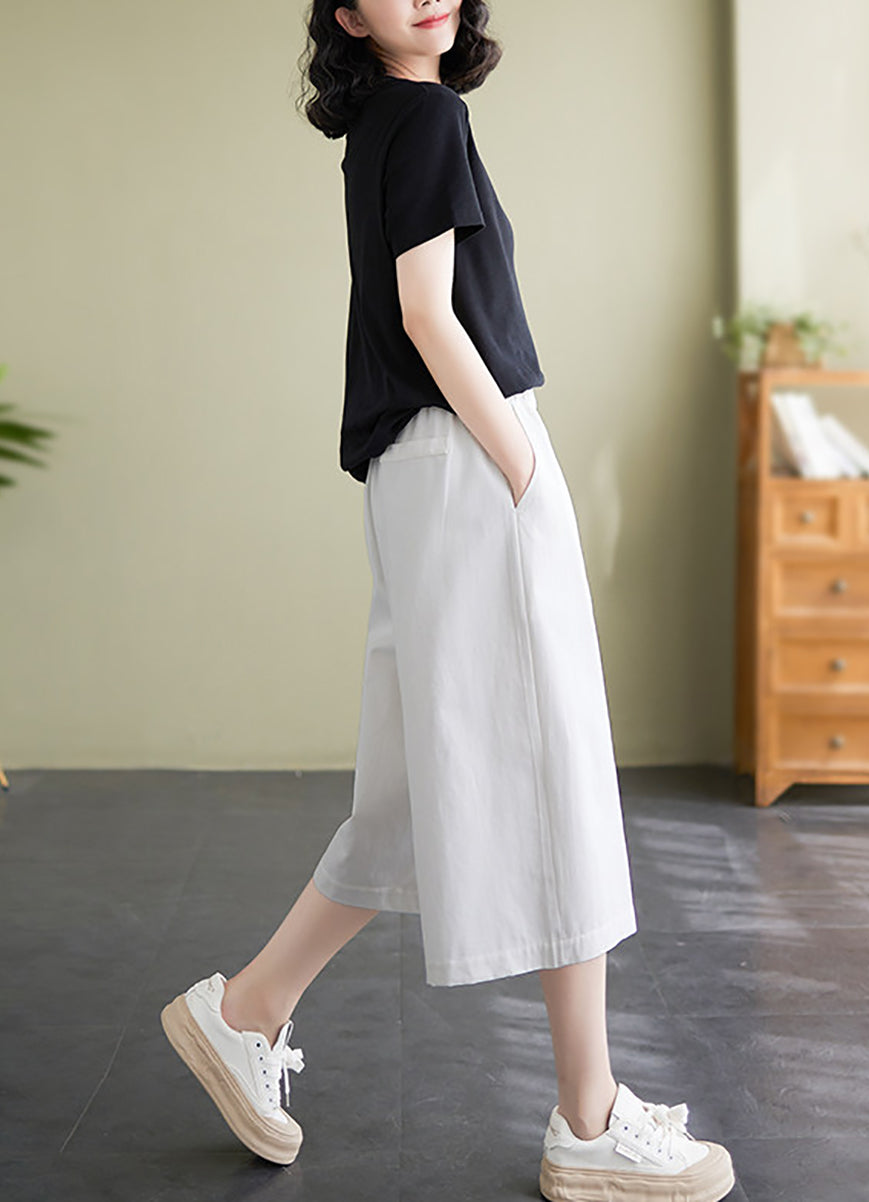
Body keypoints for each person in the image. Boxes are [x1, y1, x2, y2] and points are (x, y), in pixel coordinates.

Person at [160, 3, 736, 1199]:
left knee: (411, 789)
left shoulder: (383, 121)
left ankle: (248, 1007)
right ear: (347, 13)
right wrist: (520, 462)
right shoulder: (424, 116)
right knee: (555, 768)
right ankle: (589, 1115)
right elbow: (428, 311)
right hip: (470, 455)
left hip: (416, 471)